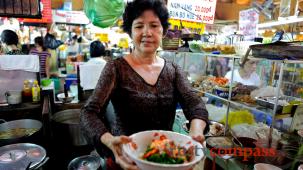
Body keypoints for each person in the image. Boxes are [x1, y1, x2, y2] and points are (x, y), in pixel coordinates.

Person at [80, 0, 209, 169]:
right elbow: (89, 112)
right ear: (130, 32)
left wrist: (196, 132)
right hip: (126, 159)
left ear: (163, 31)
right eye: (139, 26)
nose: (147, 32)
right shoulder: (116, 68)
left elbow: (194, 103)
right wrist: (109, 140)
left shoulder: (173, 70)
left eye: (154, 25)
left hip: (164, 158)